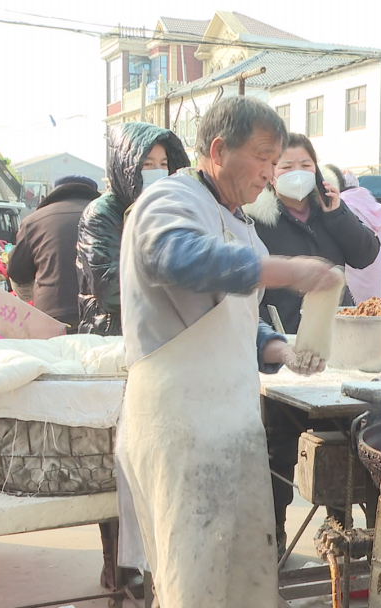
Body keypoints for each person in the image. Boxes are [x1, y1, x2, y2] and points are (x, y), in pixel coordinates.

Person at [116, 96, 338, 607]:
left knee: (240, 573)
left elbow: (237, 317)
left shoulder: (241, 223)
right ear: (218, 149)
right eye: (262, 156)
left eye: (275, 160)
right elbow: (174, 257)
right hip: (179, 424)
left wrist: (279, 348)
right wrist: (286, 270)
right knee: (189, 578)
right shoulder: (171, 198)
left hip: (230, 423)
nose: (270, 172)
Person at [244, 133, 379, 332]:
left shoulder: (330, 209)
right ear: (271, 174)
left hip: (337, 331)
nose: (297, 173)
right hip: (285, 335)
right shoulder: (257, 221)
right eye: (287, 167)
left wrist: (338, 215)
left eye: (306, 165)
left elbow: (366, 255)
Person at [76, 122, 189, 336]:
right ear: (127, 166)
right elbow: (111, 291)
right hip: (112, 336)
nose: (158, 172)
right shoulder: (101, 214)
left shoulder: (169, 209)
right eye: (147, 165)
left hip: (160, 335)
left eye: (164, 164)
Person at [8, 175, 100, 331]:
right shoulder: (110, 217)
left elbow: (17, 272)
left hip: (51, 314)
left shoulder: (34, 220)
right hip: (102, 314)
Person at [336, 168, 381, 302]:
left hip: (350, 281)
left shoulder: (341, 206)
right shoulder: (370, 202)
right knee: (370, 313)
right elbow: (380, 250)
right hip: (373, 284)